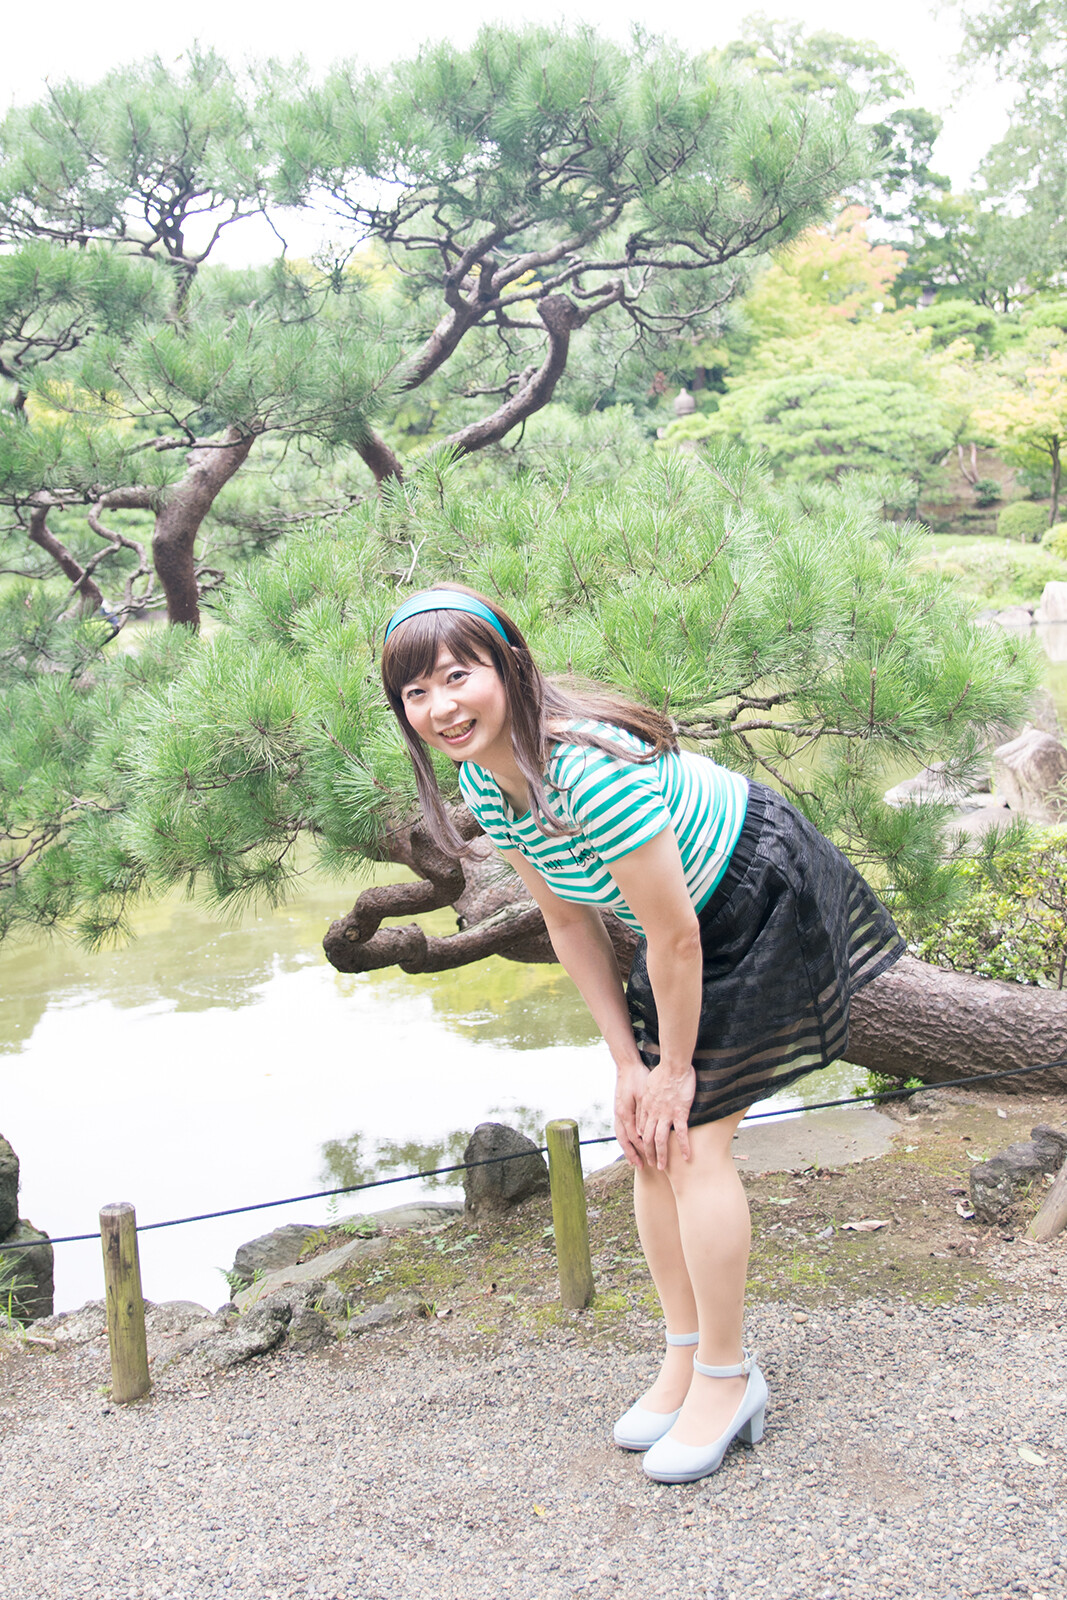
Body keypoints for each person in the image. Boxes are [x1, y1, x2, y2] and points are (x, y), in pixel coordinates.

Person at [380, 585, 904, 1484]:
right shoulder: (485, 782)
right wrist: (627, 1063)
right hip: (680, 927)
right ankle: (683, 1356)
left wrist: (673, 1073)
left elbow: (676, 936)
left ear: (509, 667)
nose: (441, 708)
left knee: (690, 1140)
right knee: (646, 1139)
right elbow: (568, 919)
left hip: (754, 896)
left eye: (458, 677)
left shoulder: (589, 773)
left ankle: (727, 1380)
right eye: (416, 692)